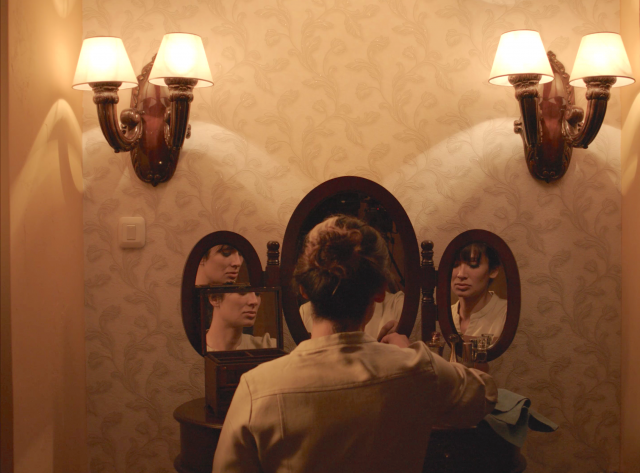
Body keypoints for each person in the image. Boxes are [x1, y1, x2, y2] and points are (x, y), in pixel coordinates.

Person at [212, 215, 497, 473]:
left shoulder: (257, 389)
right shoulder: (420, 369)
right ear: (380, 291)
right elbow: (485, 395)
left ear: (303, 289)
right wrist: (406, 354)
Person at [450, 242, 507, 340]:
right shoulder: (446, 314)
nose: (461, 274)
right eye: (455, 264)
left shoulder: (506, 313)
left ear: (493, 270)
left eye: (473, 265)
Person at [206, 291, 276, 351]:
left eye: (257, 294)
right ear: (214, 298)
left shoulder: (269, 347)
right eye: (242, 292)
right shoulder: (199, 354)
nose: (255, 301)